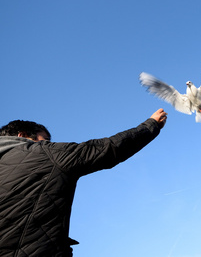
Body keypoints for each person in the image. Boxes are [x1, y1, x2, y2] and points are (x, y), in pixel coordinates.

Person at [0, 108, 167, 257]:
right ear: (22, 135)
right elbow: (107, 149)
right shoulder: (42, 152)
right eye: (45, 139)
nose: (48, 143)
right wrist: (150, 125)